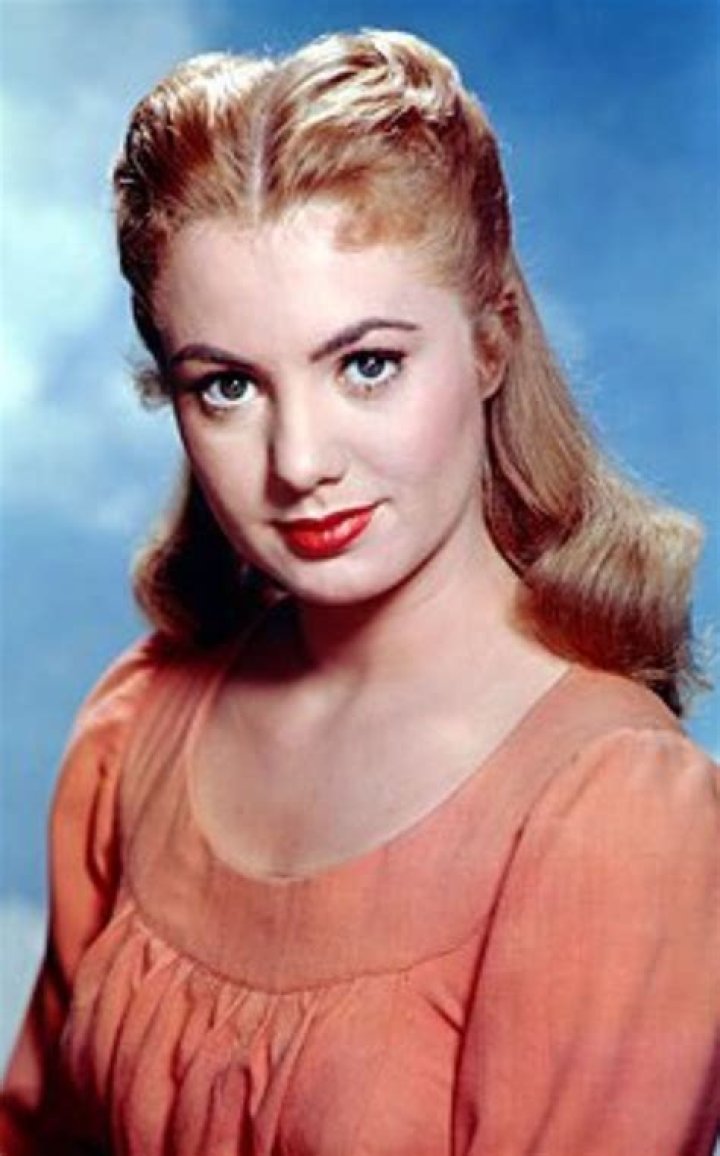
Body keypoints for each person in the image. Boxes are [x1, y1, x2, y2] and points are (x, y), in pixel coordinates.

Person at [1, 28, 718, 1156]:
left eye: (366, 365)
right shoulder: (132, 728)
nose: (299, 462)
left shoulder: (614, 813)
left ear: (492, 341)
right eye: (227, 386)